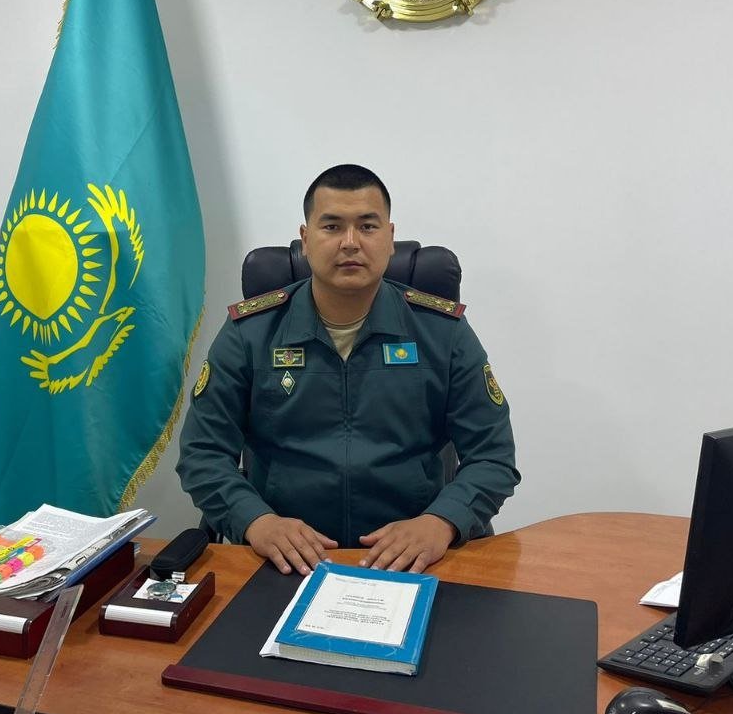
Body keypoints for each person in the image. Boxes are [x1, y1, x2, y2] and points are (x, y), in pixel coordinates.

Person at [176, 164, 520, 575]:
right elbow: (203, 453)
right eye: (332, 226)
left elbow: (493, 456)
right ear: (306, 239)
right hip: (283, 560)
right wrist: (256, 521)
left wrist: (441, 522)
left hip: (414, 559)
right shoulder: (250, 333)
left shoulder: (442, 332)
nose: (351, 242)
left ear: (390, 238)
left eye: (368, 226)